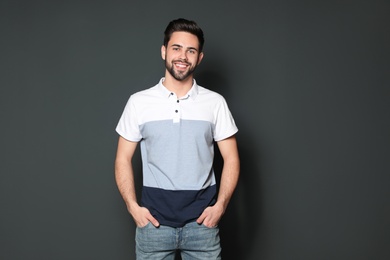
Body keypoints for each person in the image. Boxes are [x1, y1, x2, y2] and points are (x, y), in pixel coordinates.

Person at [114, 18, 240, 260]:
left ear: (199, 57)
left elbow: (232, 158)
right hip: (153, 226)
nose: (183, 56)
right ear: (164, 51)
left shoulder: (215, 103)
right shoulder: (139, 102)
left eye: (191, 50)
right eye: (176, 48)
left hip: (202, 226)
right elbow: (122, 158)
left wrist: (220, 206)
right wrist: (132, 207)